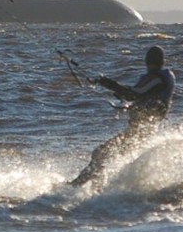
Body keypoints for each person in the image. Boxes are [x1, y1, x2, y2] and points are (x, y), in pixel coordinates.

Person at [70, 45, 175, 186]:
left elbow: (133, 93)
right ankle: (94, 185)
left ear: (147, 61)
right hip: (143, 130)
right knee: (102, 154)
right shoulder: (161, 78)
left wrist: (107, 83)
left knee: (100, 153)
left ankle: (81, 186)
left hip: (140, 132)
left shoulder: (157, 79)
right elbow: (139, 95)